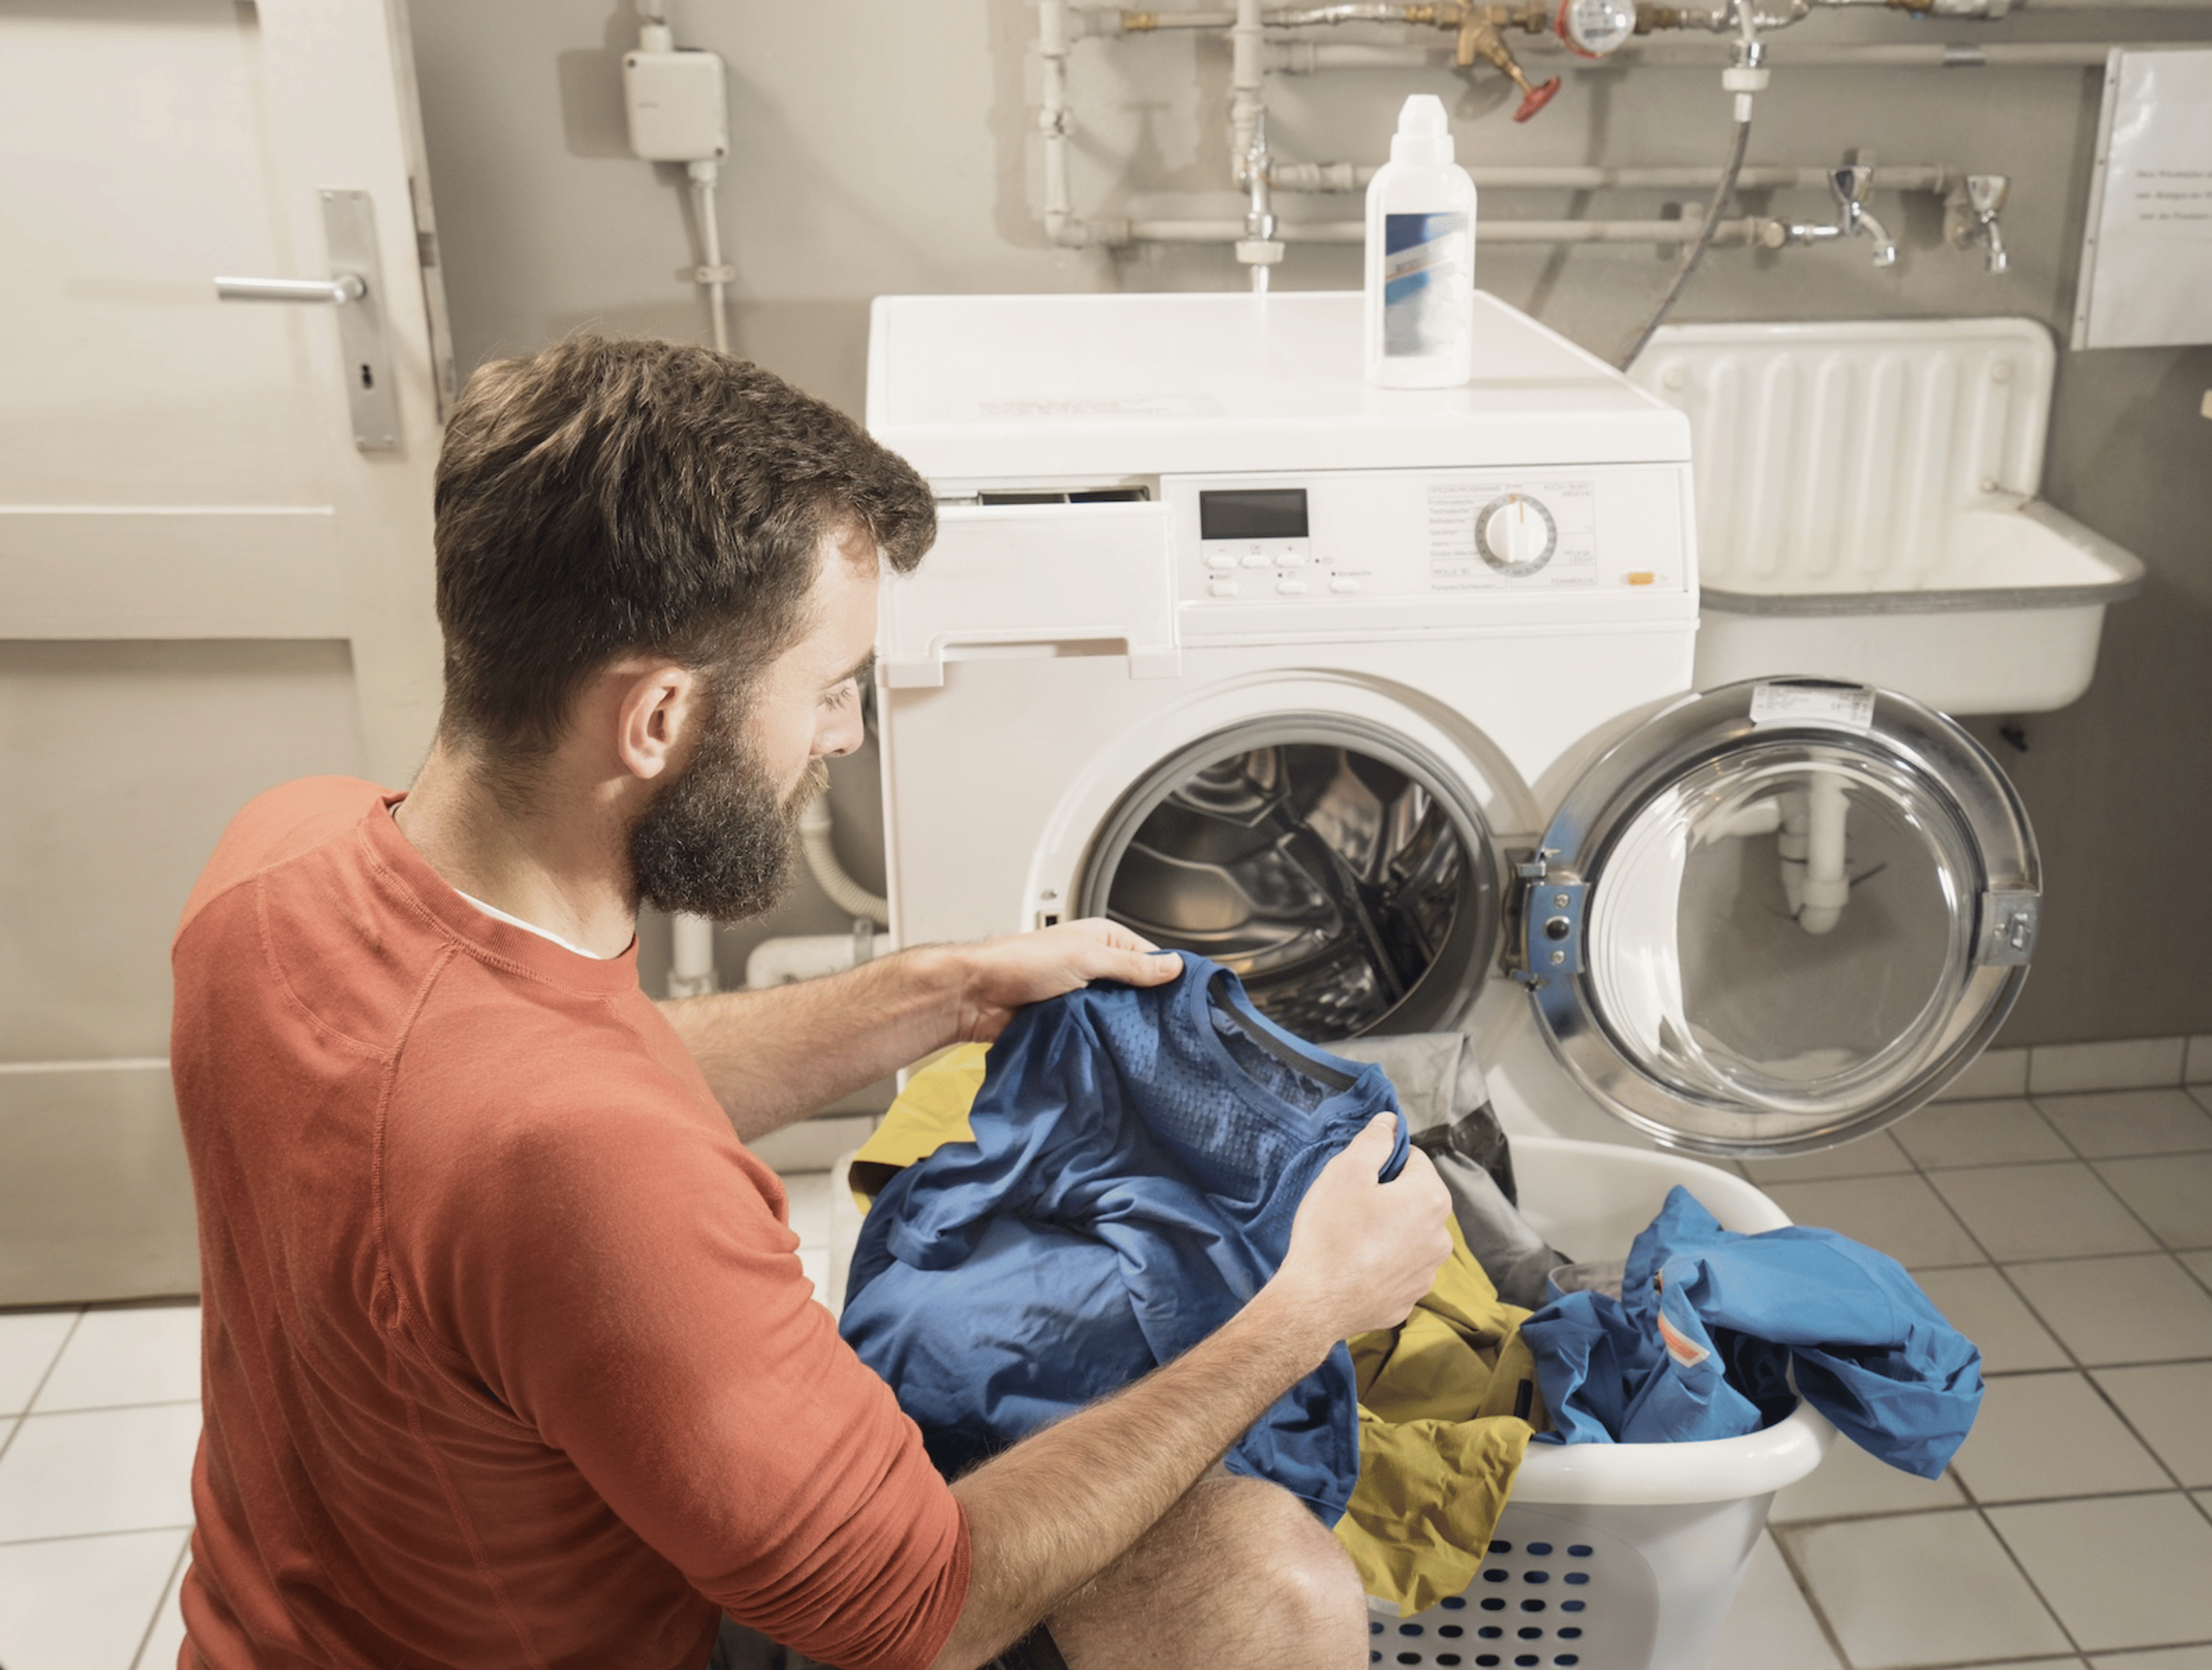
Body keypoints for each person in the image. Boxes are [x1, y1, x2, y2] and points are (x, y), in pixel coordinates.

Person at [168, 335, 1454, 1670]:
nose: (841, 734)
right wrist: (1306, 1304)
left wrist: (947, 988)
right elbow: (925, 1611)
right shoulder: (595, 1172)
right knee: (1264, 1583)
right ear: (658, 717)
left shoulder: (278, 863)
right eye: (828, 688)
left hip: (281, 1628)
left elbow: (532, 1084)